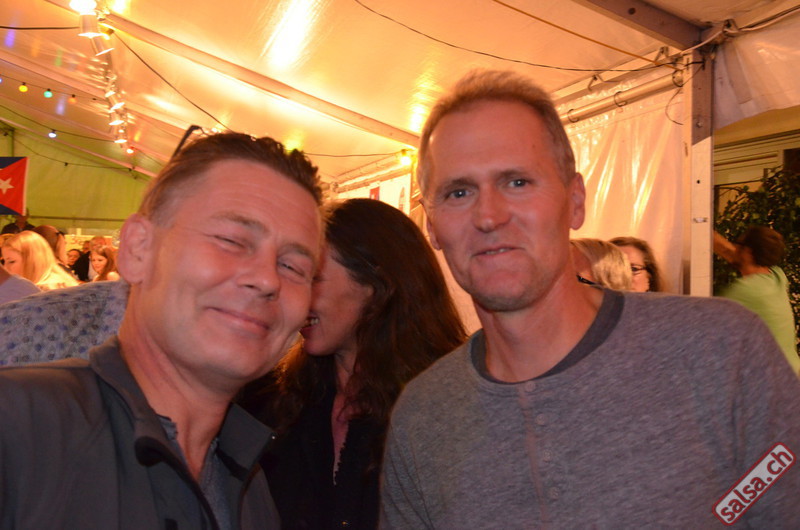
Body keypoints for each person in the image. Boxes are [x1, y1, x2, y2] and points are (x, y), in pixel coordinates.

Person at [380, 70, 800, 528]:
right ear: (432, 226)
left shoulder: (719, 349)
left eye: (517, 182)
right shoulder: (422, 420)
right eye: (458, 192)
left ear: (575, 201)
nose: (489, 216)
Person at [0, 132, 324, 527]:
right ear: (138, 249)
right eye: (231, 240)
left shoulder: (250, 489)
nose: (268, 279)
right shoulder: (17, 431)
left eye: (293, 266)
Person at [241, 198, 466, 529]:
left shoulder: (448, 410)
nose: (295, 297)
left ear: (375, 285)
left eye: (313, 277)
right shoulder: (275, 403)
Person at [714, 226, 799, 375]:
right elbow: (729, 252)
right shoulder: (777, 276)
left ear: (747, 252)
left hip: (775, 381)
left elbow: (708, 328)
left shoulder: (744, 291)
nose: (734, 247)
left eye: (738, 243)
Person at [1, 230, 79, 291]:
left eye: (11, 261)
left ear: (31, 260)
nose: (5, 268)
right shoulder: (57, 281)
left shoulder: (47, 289)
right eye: (4, 262)